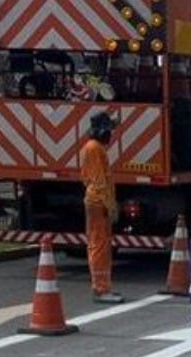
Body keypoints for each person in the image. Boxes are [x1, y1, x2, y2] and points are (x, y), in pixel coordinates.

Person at [80, 111, 123, 304]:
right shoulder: (94, 149)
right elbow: (99, 181)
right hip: (98, 202)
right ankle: (101, 288)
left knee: (100, 245)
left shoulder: (93, 148)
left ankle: (102, 286)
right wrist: (110, 206)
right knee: (100, 246)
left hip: (96, 201)